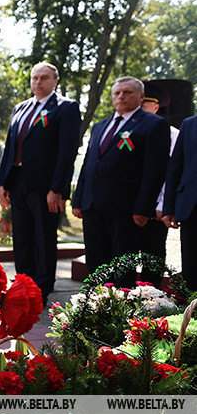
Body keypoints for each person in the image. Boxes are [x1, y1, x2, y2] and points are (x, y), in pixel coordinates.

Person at [72, 77, 170, 286]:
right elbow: (90, 165)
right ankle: (97, 311)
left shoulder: (154, 125)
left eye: (127, 92)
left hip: (126, 211)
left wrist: (144, 208)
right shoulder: (101, 125)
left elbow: (155, 171)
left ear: (141, 96)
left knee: (122, 268)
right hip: (93, 207)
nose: (121, 97)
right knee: (96, 266)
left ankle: (120, 314)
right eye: (117, 93)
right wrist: (78, 199)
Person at [0, 62, 80, 305]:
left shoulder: (65, 108)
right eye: (34, 78)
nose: (38, 82)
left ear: (55, 81)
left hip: (45, 186)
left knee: (44, 237)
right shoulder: (20, 108)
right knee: (21, 237)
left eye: (44, 78)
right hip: (18, 182)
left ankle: (42, 288)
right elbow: (10, 148)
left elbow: (67, 152)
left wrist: (58, 189)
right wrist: (3, 183)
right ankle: (23, 282)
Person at [139, 80, 177, 269]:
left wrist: (163, 204)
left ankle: (151, 296)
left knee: (152, 256)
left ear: (155, 107)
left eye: (143, 106)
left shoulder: (172, 135)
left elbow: (171, 172)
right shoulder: (125, 131)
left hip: (155, 210)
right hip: (126, 206)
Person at [163, 113, 197, 290]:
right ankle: (192, 314)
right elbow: (176, 167)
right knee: (191, 271)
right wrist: (168, 207)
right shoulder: (189, 124)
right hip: (192, 210)